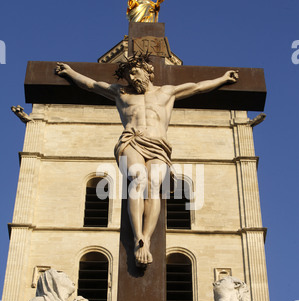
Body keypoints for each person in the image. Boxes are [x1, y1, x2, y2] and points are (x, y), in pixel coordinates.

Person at [55, 55, 238, 268]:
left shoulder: (166, 92)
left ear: (148, 71)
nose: (132, 77)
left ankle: (147, 239)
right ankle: (137, 236)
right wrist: (70, 73)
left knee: (153, 185)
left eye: (135, 72)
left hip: (158, 145)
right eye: (128, 74)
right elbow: (92, 85)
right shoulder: (120, 92)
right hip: (131, 141)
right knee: (138, 179)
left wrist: (223, 79)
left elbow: (198, 87)